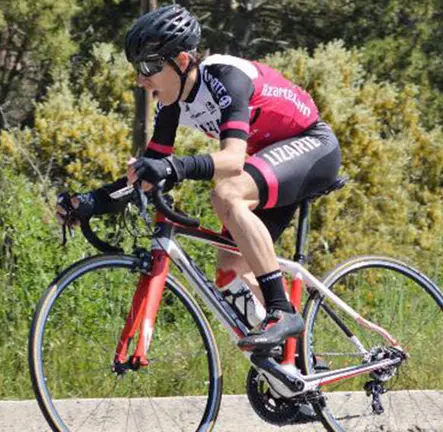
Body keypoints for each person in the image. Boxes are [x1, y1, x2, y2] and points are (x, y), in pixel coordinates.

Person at [56, 4, 341, 352]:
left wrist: (174, 167)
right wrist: (91, 202)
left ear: (181, 60)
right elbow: (149, 175)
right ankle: (294, 367)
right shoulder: (171, 105)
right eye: (137, 69)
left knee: (227, 194)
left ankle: (282, 310)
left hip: (311, 146)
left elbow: (233, 159)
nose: (140, 80)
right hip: (269, 161)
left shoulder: (225, 77)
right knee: (229, 272)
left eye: (149, 67)